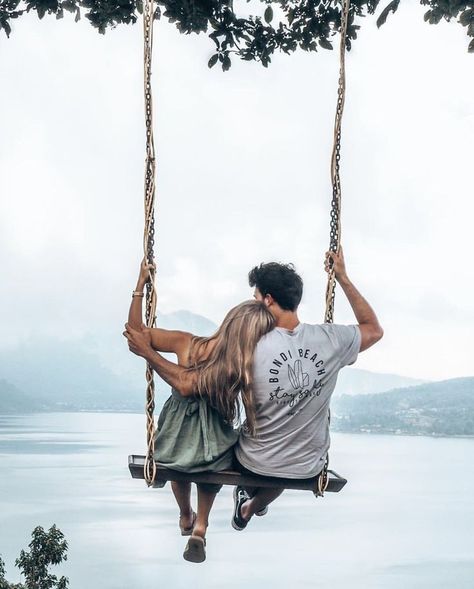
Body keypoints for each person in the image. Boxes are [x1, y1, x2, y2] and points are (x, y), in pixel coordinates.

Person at [124, 260, 274, 563]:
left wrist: (139, 289)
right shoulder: (237, 368)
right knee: (214, 461)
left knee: (177, 457)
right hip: (210, 446)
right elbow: (183, 380)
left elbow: (137, 335)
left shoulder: (188, 344)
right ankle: (201, 526)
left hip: (173, 439)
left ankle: (184, 515)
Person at [230, 248, 383, 530]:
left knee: (243, 452)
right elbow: (373, 330)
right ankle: (249, 506)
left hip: (253, 461)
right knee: (285, 469)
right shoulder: (330, 339)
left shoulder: (247, 344)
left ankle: (248, 499)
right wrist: (343, 278)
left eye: (255, 300)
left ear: (268, 300)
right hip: (306, 466)